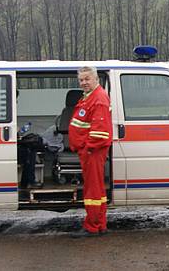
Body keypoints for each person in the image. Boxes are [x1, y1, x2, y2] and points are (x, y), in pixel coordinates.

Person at [68, 66, 112, 236]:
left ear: (96, 79)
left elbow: (100, 132)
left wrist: (87, 148)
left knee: (92, 190)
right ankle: (100, 224)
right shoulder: (89, 96)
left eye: (87, 79)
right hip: (90, 151)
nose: (84, 82)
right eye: (81, 80)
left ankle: (92, 226)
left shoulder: (98, 98)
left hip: (93, 151)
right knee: (98, 188)